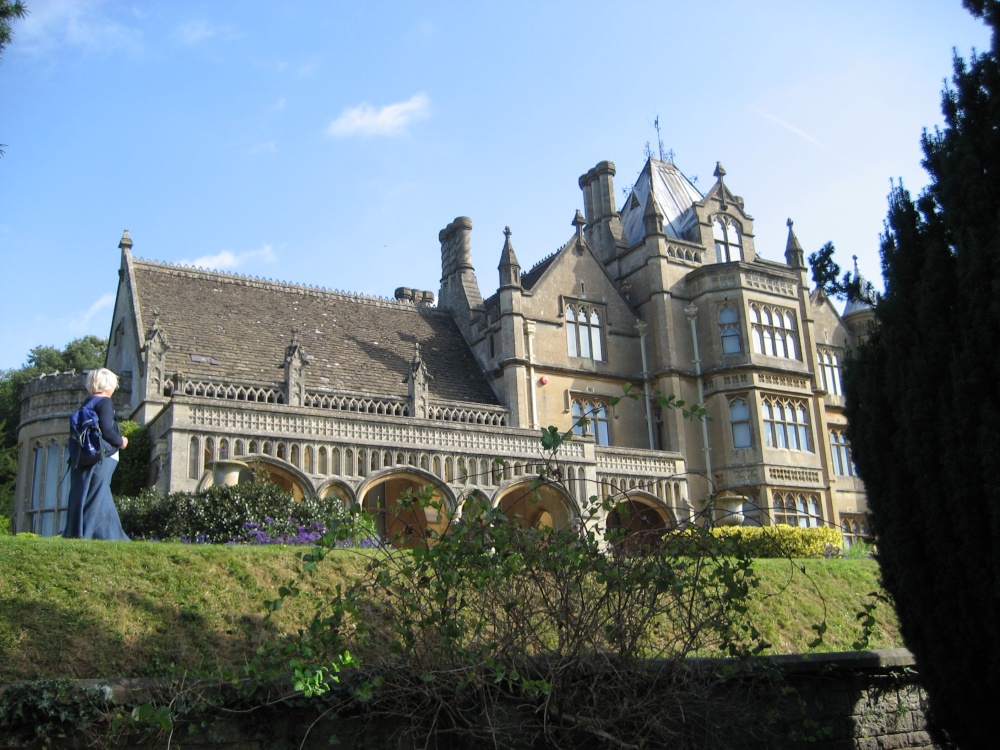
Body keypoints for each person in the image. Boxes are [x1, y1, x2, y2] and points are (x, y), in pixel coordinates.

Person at [63, 368, 130, 541]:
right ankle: (84, 535)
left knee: (95, 495)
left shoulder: (87, 403)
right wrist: (121, 441)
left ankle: (114, 536)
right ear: (109, 385)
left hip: (83, 457)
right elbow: (107, 431)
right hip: (102, 457)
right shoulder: (104, 402)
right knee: (96, 497)